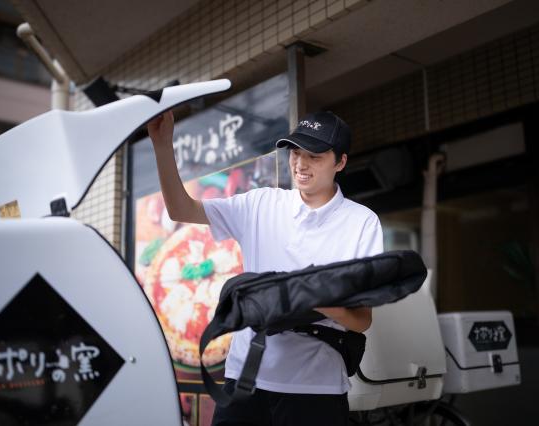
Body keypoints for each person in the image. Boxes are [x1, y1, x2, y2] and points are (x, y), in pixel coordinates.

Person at [147, 110, 383, 426]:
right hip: (244, 380)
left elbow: (362, 320)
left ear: (340, 162)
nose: (300, 164)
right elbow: (180, 209)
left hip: (316, 388)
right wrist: (163, 146)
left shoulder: (361, 222)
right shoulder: (261, 204)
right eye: (295, 152)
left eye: (313, 156)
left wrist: (310, 299)